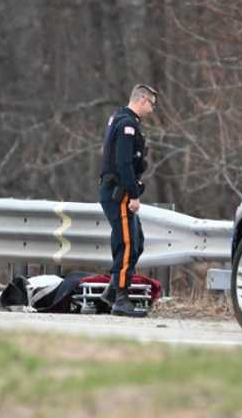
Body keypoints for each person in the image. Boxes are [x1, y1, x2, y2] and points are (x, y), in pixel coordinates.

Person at [98, 84, 158, 317]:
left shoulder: (120, 118)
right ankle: (121, 300)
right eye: (151, 104)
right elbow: (123, 163)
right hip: (119, 192)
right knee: (127, 243)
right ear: (142, 100)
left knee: (137, 240)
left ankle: (111, 294)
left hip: (118, 190)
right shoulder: (127, 125)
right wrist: (133, 194)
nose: (152, 109)